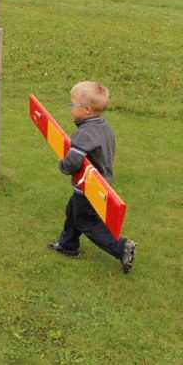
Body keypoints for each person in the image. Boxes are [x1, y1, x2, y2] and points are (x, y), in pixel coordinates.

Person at [47, 81, 137, 273]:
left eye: (72, 104)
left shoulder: (85, 134)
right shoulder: (103, 126)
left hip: (89, 187)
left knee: (86, 223)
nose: (70, 108)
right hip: (100, 183)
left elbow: (72, 163)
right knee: (73, 212)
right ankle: (68, 245)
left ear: (87, 109)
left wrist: (62, 163)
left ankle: (121, 248)